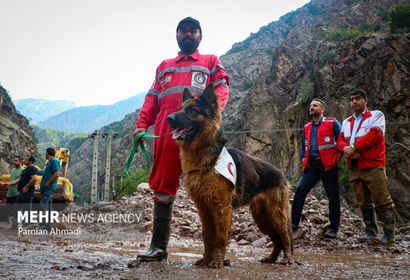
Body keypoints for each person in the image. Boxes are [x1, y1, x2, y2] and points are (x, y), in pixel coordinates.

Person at [133, 17, 229, 261]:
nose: (188, 34)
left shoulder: (210, 61)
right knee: (163, 186)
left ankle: (214, 251)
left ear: (200, 36)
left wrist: (212, 114)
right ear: (177, 36)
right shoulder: (164, 65)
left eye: (192, 31)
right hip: (168, 131)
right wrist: (142, 125)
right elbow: (151, 99)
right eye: (183, 31)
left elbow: (221, 87)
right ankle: (158, 248)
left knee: (212, 190)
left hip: (200, 135)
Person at [337, 89, 395, 244]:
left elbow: (375, 135)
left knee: (382, 199)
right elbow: (340, 139)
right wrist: (346, 149)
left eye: (357, 98)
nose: (354, 102)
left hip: (373, 164)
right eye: (352, 99)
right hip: (354, 166)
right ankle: (371, 233)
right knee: (363, 201)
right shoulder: (346, 121)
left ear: (365, 100)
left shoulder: (376, 115)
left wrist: (354, 147)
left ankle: (389, 237)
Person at [292, 98, 341, 239]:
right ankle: (293, 223)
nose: (311, 107)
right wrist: (303, 159)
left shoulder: (332, 123)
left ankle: (333, 228)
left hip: (328, 165)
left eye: (315, 105)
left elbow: (341, 141)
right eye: (311, 106)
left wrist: (337, 160)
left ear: (322, 109)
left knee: (333, 195)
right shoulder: (307, 126)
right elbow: (304, 146)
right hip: (312, 166)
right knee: (300, 190)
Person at [12, 155, 38, 229]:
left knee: (27, 208)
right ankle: (19, 223)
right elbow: (19, 179)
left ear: (31, 161)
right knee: (16, 207)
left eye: (26, 160)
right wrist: (8, 184)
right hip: (21, 192)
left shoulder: (33, 168)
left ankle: (30, 224)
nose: (24, 161)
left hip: (28, 192)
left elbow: (35, 178)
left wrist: (26, 187)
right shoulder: (25, 170)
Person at [37, 148, 60, 230]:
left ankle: (44, 225)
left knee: (43, 205)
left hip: (48, 187)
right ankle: (51, 225)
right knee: (49, 207)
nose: (45, 154)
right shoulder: (50, 162)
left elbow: (56, 174)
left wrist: (47, 184)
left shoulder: (54, 161)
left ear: (48, 153)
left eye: (46, 153)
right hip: (46, 187)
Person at [2, 156, 24, 229]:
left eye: (16, 161)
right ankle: (12, 225)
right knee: (10, 210)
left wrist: (9, 184)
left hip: (17, 193)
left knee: (17, 210)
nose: (14, 162)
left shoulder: (23, 170)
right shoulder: (13, 170)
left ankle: (19, 225)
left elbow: (19, 180)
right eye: (14, 161)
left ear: (21, 161)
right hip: (10, 193)